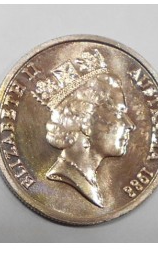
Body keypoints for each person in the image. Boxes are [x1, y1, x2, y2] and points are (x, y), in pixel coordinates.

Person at [33, 49, 135, 208]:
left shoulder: (88, 180)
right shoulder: (68, 177)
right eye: (118, 113)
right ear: (86, 122)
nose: (130, 125)